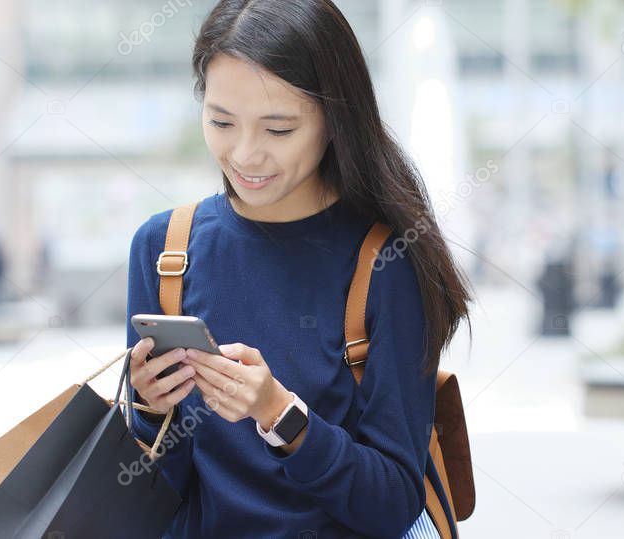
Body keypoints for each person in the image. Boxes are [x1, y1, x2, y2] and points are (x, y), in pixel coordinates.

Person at [124, 1, 472, 537]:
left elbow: (394, 503)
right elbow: (149, 496)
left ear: (336, 120)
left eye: (279, 130)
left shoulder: (385, 262)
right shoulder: (165, 252)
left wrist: (280, 415)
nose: (245, 154)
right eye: (221, 121)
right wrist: (149, 411)